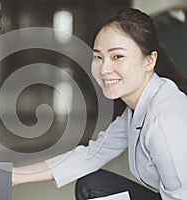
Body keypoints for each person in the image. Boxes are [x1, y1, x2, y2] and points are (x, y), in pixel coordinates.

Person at [11, 8, 187, 199]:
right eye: (98, 57)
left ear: (149, 61)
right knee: (92, 185)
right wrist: (15, 176)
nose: (104, 69)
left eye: (117, 56)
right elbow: (91, 155)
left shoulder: (162, 122)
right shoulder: (138, 107)